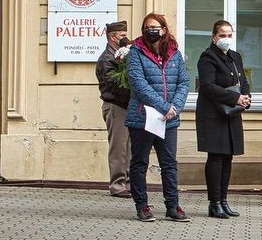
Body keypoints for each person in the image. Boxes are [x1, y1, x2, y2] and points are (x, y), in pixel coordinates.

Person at [126, 12, 191, 223]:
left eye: (155, 27)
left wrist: (176, 107)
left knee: (169, 164)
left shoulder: (174, 52)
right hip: (143, 118)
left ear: (163, 29)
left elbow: (183, 81)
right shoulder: (136, 52)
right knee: (140, 163)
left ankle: (173, 206)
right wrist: (164, 106)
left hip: (168, 119)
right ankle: (142, 205)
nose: (151, 31)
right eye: (147, 27)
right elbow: (138, 84)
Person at [196, 20, 252, 220]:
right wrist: (235, 98)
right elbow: (208, 86)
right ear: (214, 37)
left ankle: (224, 201)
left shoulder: (235, 56)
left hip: (231, 113)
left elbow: (243, 81)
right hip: (213, 114)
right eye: (222, 35)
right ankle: (214, 203)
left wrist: (245, 98)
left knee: (228, 156)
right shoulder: (207, 57)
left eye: (229, 35)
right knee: (216, 157)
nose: (226, 39)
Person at [95, 20, 131, 198]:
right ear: (113, 37)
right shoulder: (107, 58)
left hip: (127, 106)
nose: (126, 39)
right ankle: (117, 184)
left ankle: (129, 183)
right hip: (116, 106)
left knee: (129, 147)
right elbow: (114, 85)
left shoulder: (122, 55)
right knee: (118, 148)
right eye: (123, 36)